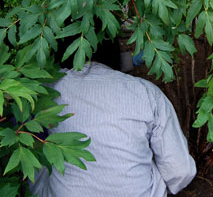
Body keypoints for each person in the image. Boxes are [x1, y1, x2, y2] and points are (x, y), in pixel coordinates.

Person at [30, 43, 196, 197]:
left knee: (35, 152)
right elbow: (180, 171)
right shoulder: (147, 93)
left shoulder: (46, 91)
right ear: (113, 48)